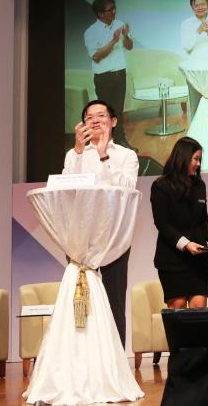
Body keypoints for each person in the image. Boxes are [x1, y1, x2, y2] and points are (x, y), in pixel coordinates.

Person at [62, 99, 139, 347]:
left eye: (101, 115)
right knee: (81, 302)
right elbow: (65, 190)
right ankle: (83, 358)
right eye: (89, 117)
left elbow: (127, 189)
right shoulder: (74, 154)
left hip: (114, 238)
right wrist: (78, 150)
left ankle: (115, 360)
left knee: (114, 302)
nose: (95, 120)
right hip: (81, 239)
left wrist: (104, 154)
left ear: (113, 121)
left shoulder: (126, 155)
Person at [151, 137, 208, 308]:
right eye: (195, 159)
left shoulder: (200, 185)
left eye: (200, 160)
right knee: (177, 306)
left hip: (199, 260)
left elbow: (203, 219)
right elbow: (162, 223)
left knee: (199, 307)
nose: (198, 164)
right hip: (172, 259)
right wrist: (186, 244)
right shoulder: (161, 186)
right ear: (183, 158)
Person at [84, 0, 135, 151]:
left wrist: (126, 36)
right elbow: (96, 56)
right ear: (100, 14)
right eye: (110, 10)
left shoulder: (119, 24)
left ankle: (121, 142)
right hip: (104, 77)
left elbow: (129, 46)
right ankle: (105, 143)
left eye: (114, 8)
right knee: (105, 112)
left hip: (120, 74)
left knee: (118, 110)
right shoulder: (91, 32)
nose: (114, 12)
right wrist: (113, 41)